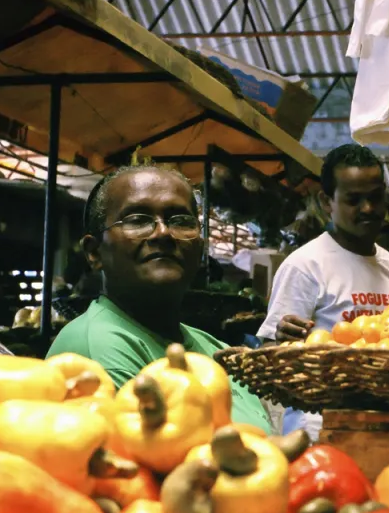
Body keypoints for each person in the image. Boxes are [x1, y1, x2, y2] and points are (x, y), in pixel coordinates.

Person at [47, 164, 273, 434]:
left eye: (180, 220)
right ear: (94, 252)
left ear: (200, 246)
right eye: (137, 220)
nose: (163, 233)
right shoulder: (94, 349)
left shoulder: (212, 346)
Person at [256, 144, 389, 439]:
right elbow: (267, 362)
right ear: (327, 201)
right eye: (354, 200)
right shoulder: (305, 267)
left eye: (375, 197)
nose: (368, 209)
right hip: (319, 436)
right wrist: (281, 343)